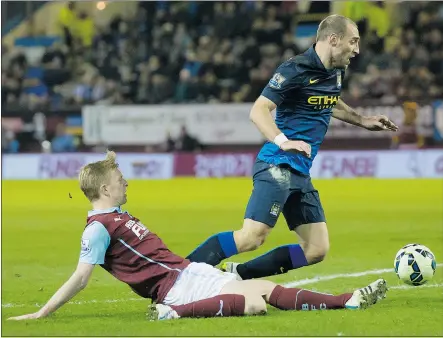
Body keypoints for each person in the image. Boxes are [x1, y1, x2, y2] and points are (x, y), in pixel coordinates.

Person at [8, 151, 388, 321]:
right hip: (175, 289)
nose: (124, 182)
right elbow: (81, 277)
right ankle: (172, 314)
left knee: (265, 290)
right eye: (118, 180)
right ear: (104, 190)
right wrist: (43, 312)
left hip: (188, 272)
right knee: (255, 304)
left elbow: (107, 189)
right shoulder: (97, 230)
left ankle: (346, 301)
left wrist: (107, 163)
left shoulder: (116, 214)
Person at [186, 14, 399, 280]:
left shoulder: (335, 70)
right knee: (252, 237)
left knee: (316, 249)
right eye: (353, 42)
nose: (357, 49)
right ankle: (176, 275)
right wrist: (283, 141)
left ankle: (238, 274)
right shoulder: (294, 69)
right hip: (277, 163)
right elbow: (259, 110)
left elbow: (330, 100)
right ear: (333, 40)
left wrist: (363, 121)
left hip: (300, 171)